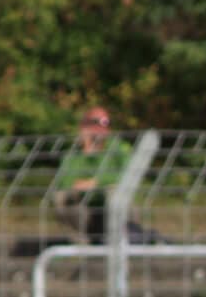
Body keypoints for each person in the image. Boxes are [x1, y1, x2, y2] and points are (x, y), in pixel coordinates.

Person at [48, 105, 161, 245]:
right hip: (86, 209)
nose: (100, 129)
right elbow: (64, 182)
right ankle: (82, 243)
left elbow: (130, 175)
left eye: (105, 123)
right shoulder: (74, 154)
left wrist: (96, 183)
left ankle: (121, 239)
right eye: (94, 123)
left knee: (113, 193)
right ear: (84, 126)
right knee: (60, 197)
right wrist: (87, 151)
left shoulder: (119, 148)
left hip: (114, 207)